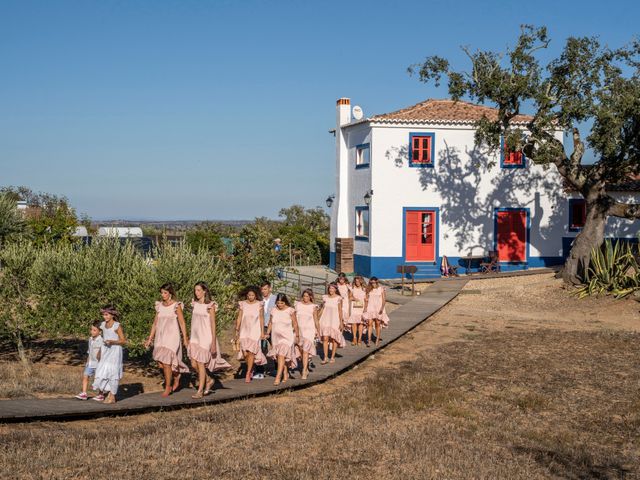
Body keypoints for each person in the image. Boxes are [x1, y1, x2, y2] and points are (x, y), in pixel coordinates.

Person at [144, 283, 190, 397]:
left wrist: (185, 338)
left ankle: (168, 387)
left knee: (167, 363)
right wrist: (150, 338)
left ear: (170, 293)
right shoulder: (159, 306)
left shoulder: (176, 305)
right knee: (161, 364)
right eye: (161, 293)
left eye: (165, 293)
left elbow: (182, 322)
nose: (163, 295)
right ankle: (176, 375)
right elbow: (155, 323)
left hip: (172, 337)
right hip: (160, 337)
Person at [188, 281, 231, 399]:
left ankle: (200, 390)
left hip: (206, 337)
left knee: (201, 364)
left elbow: (213, 324)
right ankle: (209, 379)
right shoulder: (195, 304)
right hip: (195, 337)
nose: (196, 293)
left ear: (204, 291)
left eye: (199, 290)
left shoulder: (210, 305)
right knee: (193, 364)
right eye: (195, 290)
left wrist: (213, 342)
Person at [92, 305, 126, 404]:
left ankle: (112, 396)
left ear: (112, 315)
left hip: (115, 351)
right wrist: (99, 351)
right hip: (106, 350)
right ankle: (104, 392)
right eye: (103, 315)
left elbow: (123, 341)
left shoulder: (117, 325)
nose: (105, 317)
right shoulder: (103, 325)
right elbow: (103, 338)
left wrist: (113, 342)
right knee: (102, 370)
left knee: (113, 372)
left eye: (106, 315)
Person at [264, 293, 300, 385]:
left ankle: (278, 377)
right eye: (278, 303)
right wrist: (267, 333)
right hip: (276, 337)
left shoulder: (290, 310)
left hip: (287, 337)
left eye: (282, 303)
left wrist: (297, 335)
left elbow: (295, 323)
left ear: (285, 302)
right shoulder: (273, 310)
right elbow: (270, 323)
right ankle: (285, 371)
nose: (279, 305)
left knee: (281, 355)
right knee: (279, 356)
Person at [235, 286, 267, 383]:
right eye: (249, 295)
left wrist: (262, 332)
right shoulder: (243, 304)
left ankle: (248, 372)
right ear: (247, 295)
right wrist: (237, 328)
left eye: (252, 295)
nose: (250, 297)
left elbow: (261, 318)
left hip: (255, 330)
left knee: (252, 352)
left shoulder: (259, 304)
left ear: (256, 295)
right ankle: (251, 366)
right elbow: (240, 316)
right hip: (244, 330)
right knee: (245, 352)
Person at [295, 289, 320, 379]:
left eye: (307, 296)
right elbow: (294, 318)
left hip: (309, 330)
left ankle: (304, 370)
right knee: (301, 349)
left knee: (305, 350)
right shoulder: (297, 305)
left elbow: (316, 320)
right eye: (304, 296)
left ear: (310, 297)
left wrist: (318, 331)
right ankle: (305, 365)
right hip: (299, 330)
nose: (305, 298)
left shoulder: (313, 306)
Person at [75, 320, 104, 400]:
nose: (92, 332)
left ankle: (101, 394)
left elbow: (103, 353)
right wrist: (87, 361)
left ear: (100, 332)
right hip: (91, 362)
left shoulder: (102, 341)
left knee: (99, 379)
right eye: (91, 329)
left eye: (94, 330)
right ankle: (84, 393)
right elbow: (90, 351)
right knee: (85, 376)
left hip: (99, 364)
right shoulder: (90, 339)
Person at [318, 282, 345, 364]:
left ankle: (332, 357)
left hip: (335, 320)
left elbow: (340, 311)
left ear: (336, 289)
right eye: (330, 288)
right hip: (325, 319)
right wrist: (317, 318)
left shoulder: (338, 298)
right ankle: (325, 357)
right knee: (325, 338)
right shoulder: (325, 297)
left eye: (332, 288)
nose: (331, 290)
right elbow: (322, 309)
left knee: (334, 339)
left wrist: (341, 322)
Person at [255, 280, 276, 379]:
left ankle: (277, 369)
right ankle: (259, 371)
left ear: (270, 289)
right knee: (261, 348)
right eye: (262, 289)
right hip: (261, 326)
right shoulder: (258, 300)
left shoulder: (276, 299)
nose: (263, 291)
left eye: (265, 289)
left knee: (275, 347)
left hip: (274, 326)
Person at [363, 277, 390, 347]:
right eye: (371, 283)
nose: (373, 284)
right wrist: (365, 308)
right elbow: (366, 299)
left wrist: (382, 308)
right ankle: (368, 340)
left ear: (377, 282)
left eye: (374, 283)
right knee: (369, 324)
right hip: (370, 307)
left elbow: (384, 300)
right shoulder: (368, 289)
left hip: (378, 308)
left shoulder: (381, 289)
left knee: (378, 324)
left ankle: (377, 339)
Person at [347, 276, 367, 346]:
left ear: (361, 281)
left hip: (362, 307)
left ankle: (360, 338)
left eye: (358, 281)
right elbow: (349, 297)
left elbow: (366, 299)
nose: (357, 283)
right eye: (356, 281)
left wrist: (365, 309)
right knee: (354, 323)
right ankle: (354, 337)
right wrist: (354, 298)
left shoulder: (364, 289)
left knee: (361, 323)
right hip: (354, 307)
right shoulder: (352, 289)